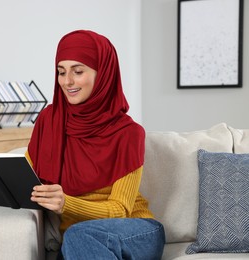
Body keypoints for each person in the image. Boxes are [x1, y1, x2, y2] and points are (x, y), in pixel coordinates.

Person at [28, 30, 165, 260]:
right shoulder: (49, 121)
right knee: (77, 238)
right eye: (61, 72)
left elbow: (120, 211)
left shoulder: (129, 133)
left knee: (78, 236)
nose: (67, 81)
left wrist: (66, 204)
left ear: (103, 74)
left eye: (78, 71)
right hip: (77, 242)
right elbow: (25, 176)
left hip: (136, 231)